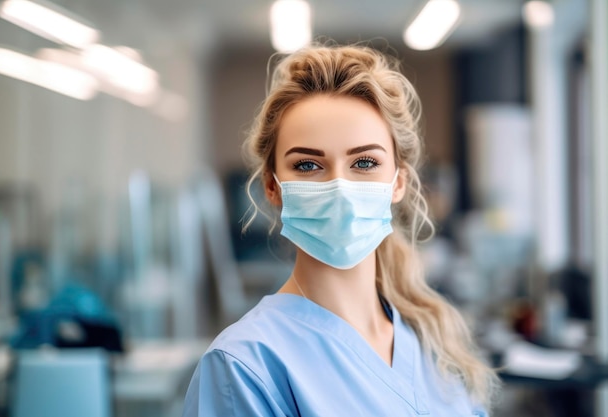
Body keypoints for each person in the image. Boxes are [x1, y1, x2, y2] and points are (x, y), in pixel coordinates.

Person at [182, 44, 499, 417]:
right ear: (272, 187)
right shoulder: (244, 367)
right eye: (308, 166)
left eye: (364, 162)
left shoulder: (433, 342)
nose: (340, 189)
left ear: (398, 182)